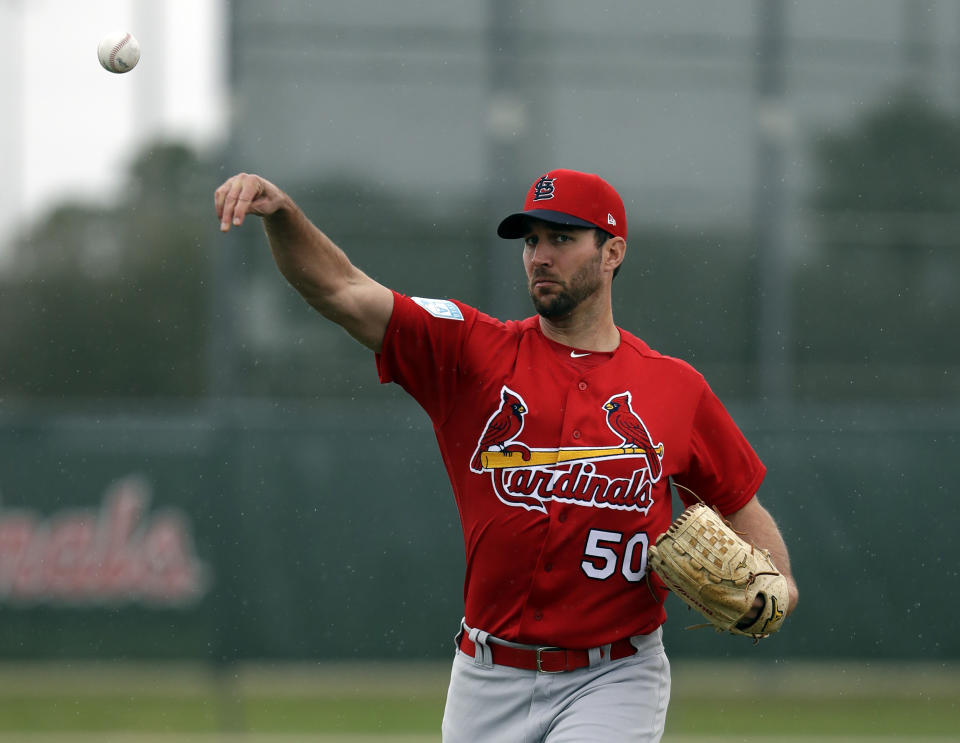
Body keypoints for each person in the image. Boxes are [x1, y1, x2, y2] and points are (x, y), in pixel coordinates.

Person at [215, 168, 799, 742]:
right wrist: (284, 214)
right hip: (486, 674)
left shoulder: (676, 389)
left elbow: (739, 501)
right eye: (531, 241)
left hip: (615, 675)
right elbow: (341, 290)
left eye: (562, 239)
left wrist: (781, 582)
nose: (540, 256)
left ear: (612, 251)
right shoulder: (472, 350)